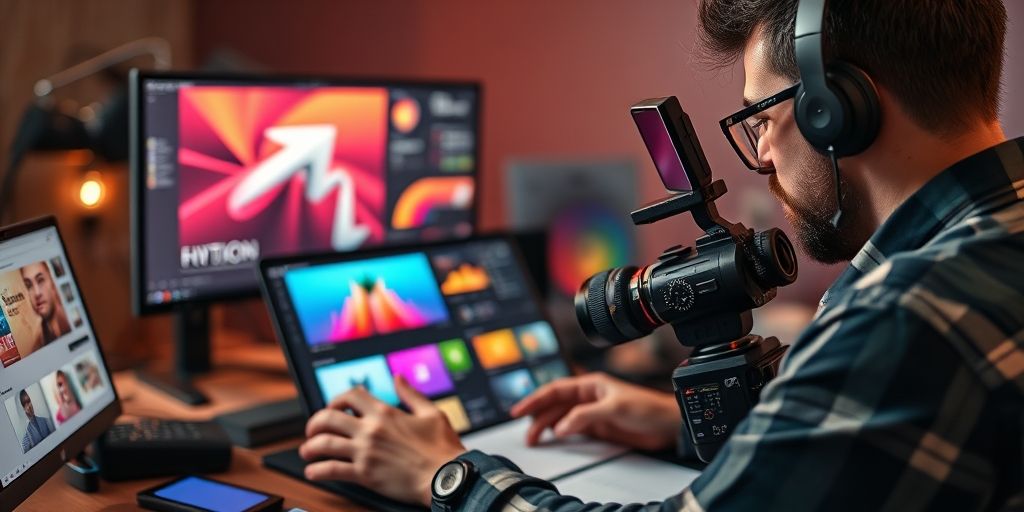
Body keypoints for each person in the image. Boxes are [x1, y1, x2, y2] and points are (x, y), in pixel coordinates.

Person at [298, 1, 1022, 510]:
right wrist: (683, 426)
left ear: (836, 109)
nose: (763, 156)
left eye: (761, 118)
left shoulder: (907, 316)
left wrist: (445, 474)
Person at [20, 261, 70, 346]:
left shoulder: (75, 321)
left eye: (40, 280)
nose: (37, 293)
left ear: (53, 282)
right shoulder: (37, 346)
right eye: (29, 286)